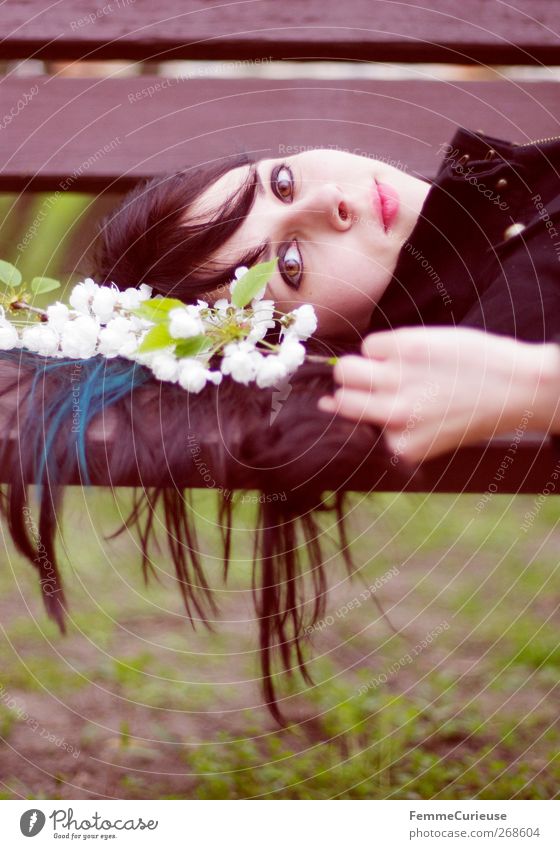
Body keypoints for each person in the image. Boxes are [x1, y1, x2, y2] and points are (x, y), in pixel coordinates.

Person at [1, 127, 559, 720]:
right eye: (292, 264)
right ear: (315, 337)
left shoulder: (501, 207)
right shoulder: (512, 316)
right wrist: (536, 385)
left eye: (281, 181)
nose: (330, 204)